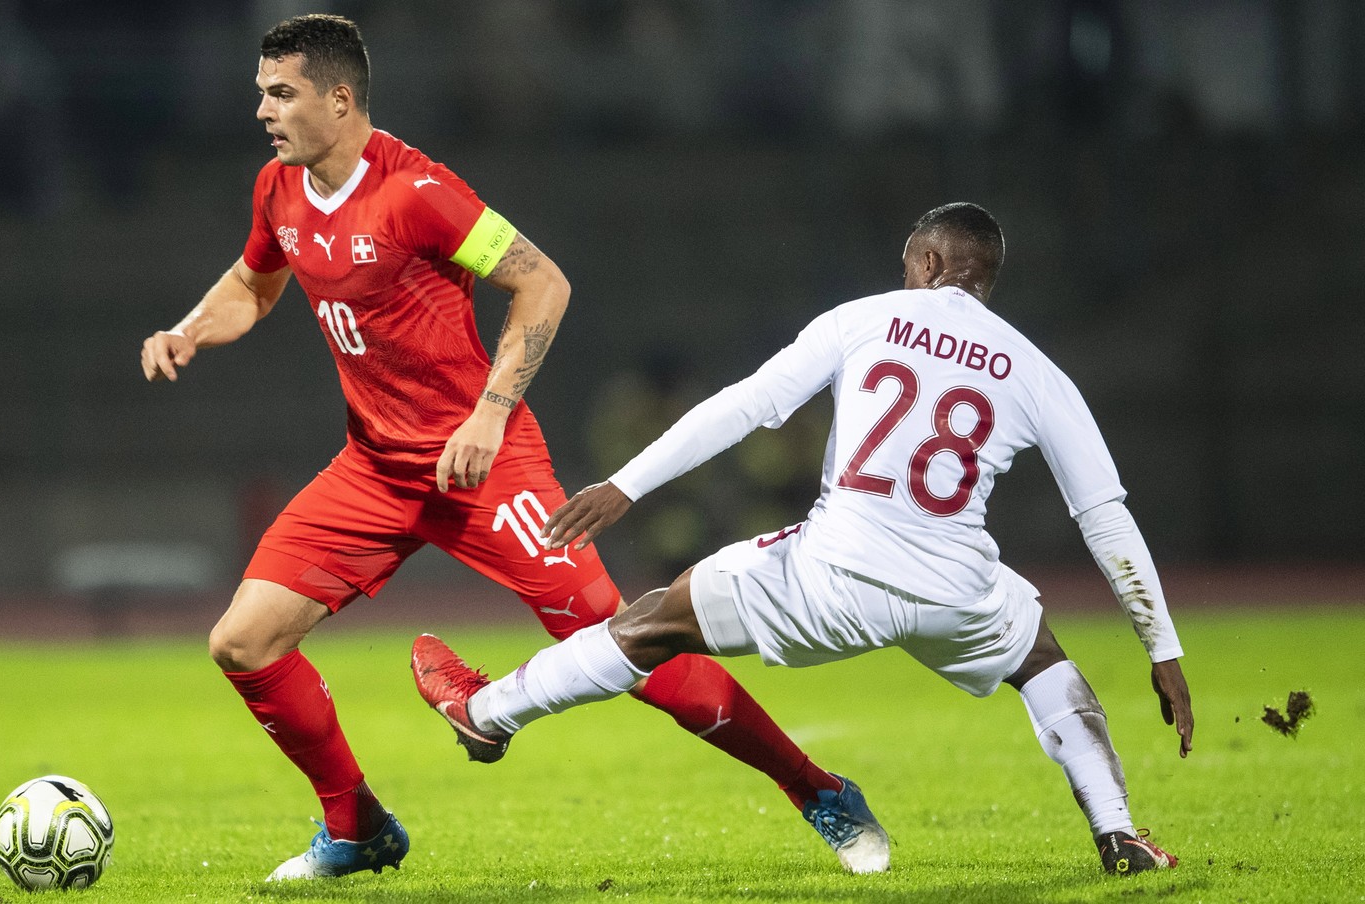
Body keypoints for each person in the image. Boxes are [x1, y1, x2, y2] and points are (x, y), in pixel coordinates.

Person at [139, 14, 848, 883]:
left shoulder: (417, 192)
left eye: (279, 93)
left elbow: (543, 281)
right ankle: (358, 825)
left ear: (340, 98)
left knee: (633, 649)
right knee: (242, 642)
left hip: (484, 464)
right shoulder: (279, 189)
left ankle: (815, 788)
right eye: (260, 92)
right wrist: (188, 330)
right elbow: (255, 283)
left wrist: (488, 411)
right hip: (373, 469)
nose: (262, 110)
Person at [412, 202, 1195, 876]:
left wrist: (626, 484)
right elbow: (1105, 515)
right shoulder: (1037, 370)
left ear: (926, 261)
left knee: (652, 623)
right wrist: (1163, 651)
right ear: (986, 275)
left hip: (831, 576)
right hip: (956, 591)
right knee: (1044, 663)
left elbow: (748, 405)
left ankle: (492, 713)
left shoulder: (867, 318)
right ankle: (1117, 829)